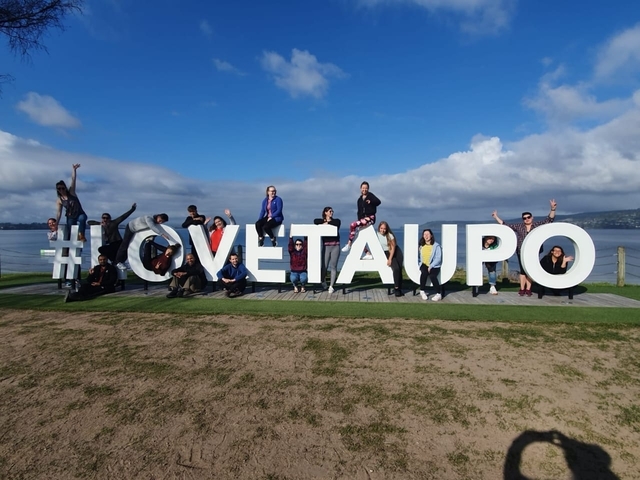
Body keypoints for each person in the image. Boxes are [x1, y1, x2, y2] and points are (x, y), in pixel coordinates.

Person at [492, 199, 557, 296]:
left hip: (534, 251)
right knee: (523, 270)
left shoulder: (537, 225)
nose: (526, 219)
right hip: (521, 251)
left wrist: (552, 209)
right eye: (524, 218)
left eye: (528, 217)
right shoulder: (519, 226)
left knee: (530, 270)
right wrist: (496, 217)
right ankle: (522, 289)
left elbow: (549, 220)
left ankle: (528, 288)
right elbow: (505, 225)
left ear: (532, 218)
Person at [342, 181, 381, 253]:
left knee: (352, 225)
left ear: (368, 189)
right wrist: (360, 220)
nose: (364, 190)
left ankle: (349, 244)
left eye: (366, 188)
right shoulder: (359, 200)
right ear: (360, 189)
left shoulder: (371, 196)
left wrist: (371, 202)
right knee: (356, 236)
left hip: (370, 218)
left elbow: (378, 202)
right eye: (363, 188)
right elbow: (359, 212)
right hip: (362, 219)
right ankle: (367, 253)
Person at [55, 163, 88, 242]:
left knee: (83, 219)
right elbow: (59, 213)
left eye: (63, 188)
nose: (62, 190)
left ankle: (81, 235)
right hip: (70, 216)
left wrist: (74, 170)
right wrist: (56, 223)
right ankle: (71, 246)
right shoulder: (59, 200)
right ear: (57, 190)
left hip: (79, 213)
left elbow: (73, 180)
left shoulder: (71, 192)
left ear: (65, 188)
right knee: (71, 232)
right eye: (59, 189)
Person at [313, 206, 341, 293]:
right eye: (329, 211)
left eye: (332, 211)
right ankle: (323, 280)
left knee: (333, 266)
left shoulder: (336, 221)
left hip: (335, 245)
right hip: (326, 246)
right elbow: (315, 221)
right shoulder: (322, 221)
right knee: (324, 266)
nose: (331, 213)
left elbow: (337, 223)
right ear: (325, 212)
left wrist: (327, 223)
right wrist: (324, 222)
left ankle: (331, 286)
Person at [376, 221, 404, 297]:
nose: (383, 230)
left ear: (387, 229)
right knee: (396, 269)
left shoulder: (390, 235)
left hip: (394, 252)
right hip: (385, 253)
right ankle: (397, 288)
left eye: (384, 228)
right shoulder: (376, 235)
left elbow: (393, 248)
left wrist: (390, 258)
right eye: (381, 228)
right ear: (379, 228)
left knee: (398, 269)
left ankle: (398, 288)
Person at [418, 229, 443, 302]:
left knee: (432, 276)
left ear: (431, 235)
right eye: (424, 234)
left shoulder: (436, 246)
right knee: (424, 273)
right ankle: (422, 291)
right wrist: (419, 263)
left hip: (434, 266)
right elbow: (418, 256)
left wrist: (431, 266)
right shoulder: (421, 246)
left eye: (428, 234)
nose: (426, 236)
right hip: (424, 264)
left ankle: (438, 294)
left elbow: (438, 258)